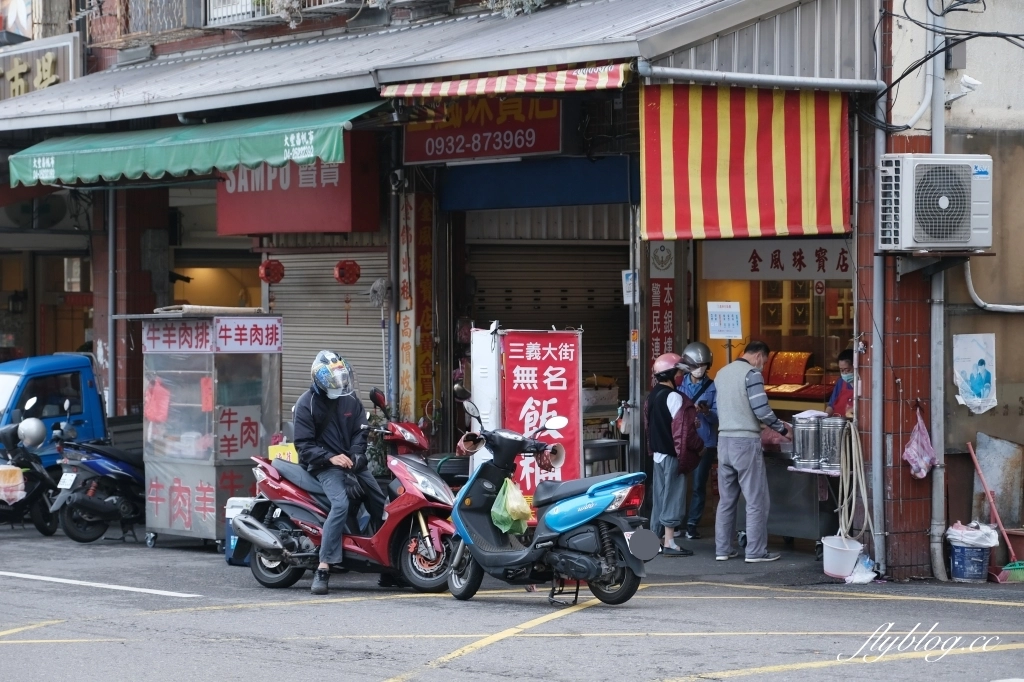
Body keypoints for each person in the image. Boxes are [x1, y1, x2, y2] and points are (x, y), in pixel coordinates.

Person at [294, 350, 387, 595]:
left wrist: (357, 456)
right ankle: (323, 567)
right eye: (333, 381)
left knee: (381, 502)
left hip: (353, 463)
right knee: (340, 505)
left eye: (341, 379)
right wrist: (330, 457)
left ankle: (387, 563)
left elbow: (361, 432)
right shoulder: (307, 404)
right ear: (320, 380)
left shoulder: (350, 399)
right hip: (324, 467)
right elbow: (303, 446)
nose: (339, 385)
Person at [714, 340, 790, 563]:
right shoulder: (751, 374)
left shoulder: (721, 373)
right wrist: (783, 429)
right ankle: (755, 551)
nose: (762, 367)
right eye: (764, 362)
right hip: (745, 442)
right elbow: (762, 410)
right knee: (756, 500)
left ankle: (723, 549)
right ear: (758, 356)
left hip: (724, 441)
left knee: (726, 500)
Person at [645, 352, 703, 557]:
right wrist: (699, 446)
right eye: (679, 371)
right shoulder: (674, 397)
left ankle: (656, 539)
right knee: (673, 496)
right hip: (673, 455)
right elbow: (684, 433)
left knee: (660, 495)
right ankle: (669, 540)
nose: (681, 375)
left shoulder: (653, 395)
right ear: (670, 374)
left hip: (658, 454)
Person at [678, 342, 718, 540]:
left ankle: (693, 523)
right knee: (679, 483)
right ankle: (676, 522)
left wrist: (707, 412)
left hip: (705, 441)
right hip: (683, 441)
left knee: (698, 484)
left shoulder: (713, 387)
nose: (700, 369)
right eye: (696, 365)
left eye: (703, 365)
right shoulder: (678, 385)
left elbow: (718, 417)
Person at [825, 349, 855, 418]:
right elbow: (831, 406)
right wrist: (825, 417)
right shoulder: (841, 382)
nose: (844, 373)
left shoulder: (864, 385)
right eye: (841, 370)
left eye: (847, 370)